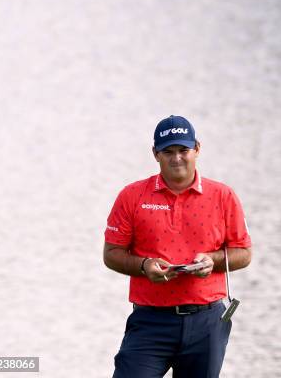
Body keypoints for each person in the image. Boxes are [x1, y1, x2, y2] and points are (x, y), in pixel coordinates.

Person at [103, 115, 252, 378]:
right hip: (150, 322)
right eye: (168, 151)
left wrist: (212, 261)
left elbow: (243, 253)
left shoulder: (223, 196)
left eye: (183, 150)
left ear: (197, 149)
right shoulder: (132, 196)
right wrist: (143, 265)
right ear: (155, 154)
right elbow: (112, 254)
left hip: (207, 322)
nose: (177, 158)